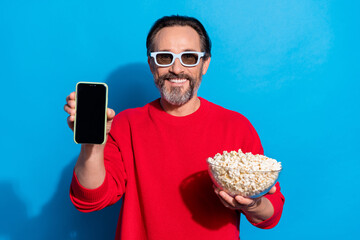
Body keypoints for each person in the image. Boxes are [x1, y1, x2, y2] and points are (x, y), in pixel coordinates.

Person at [64, 15, 285, 240]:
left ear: (205, 64)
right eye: (164, 57)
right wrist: (92, 144)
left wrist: (253, 204)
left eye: (189, 57)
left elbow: (270, 213)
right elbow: (90, 199)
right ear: (152, 65)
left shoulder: (236, 126)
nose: (177, 69)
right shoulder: (125, 125)